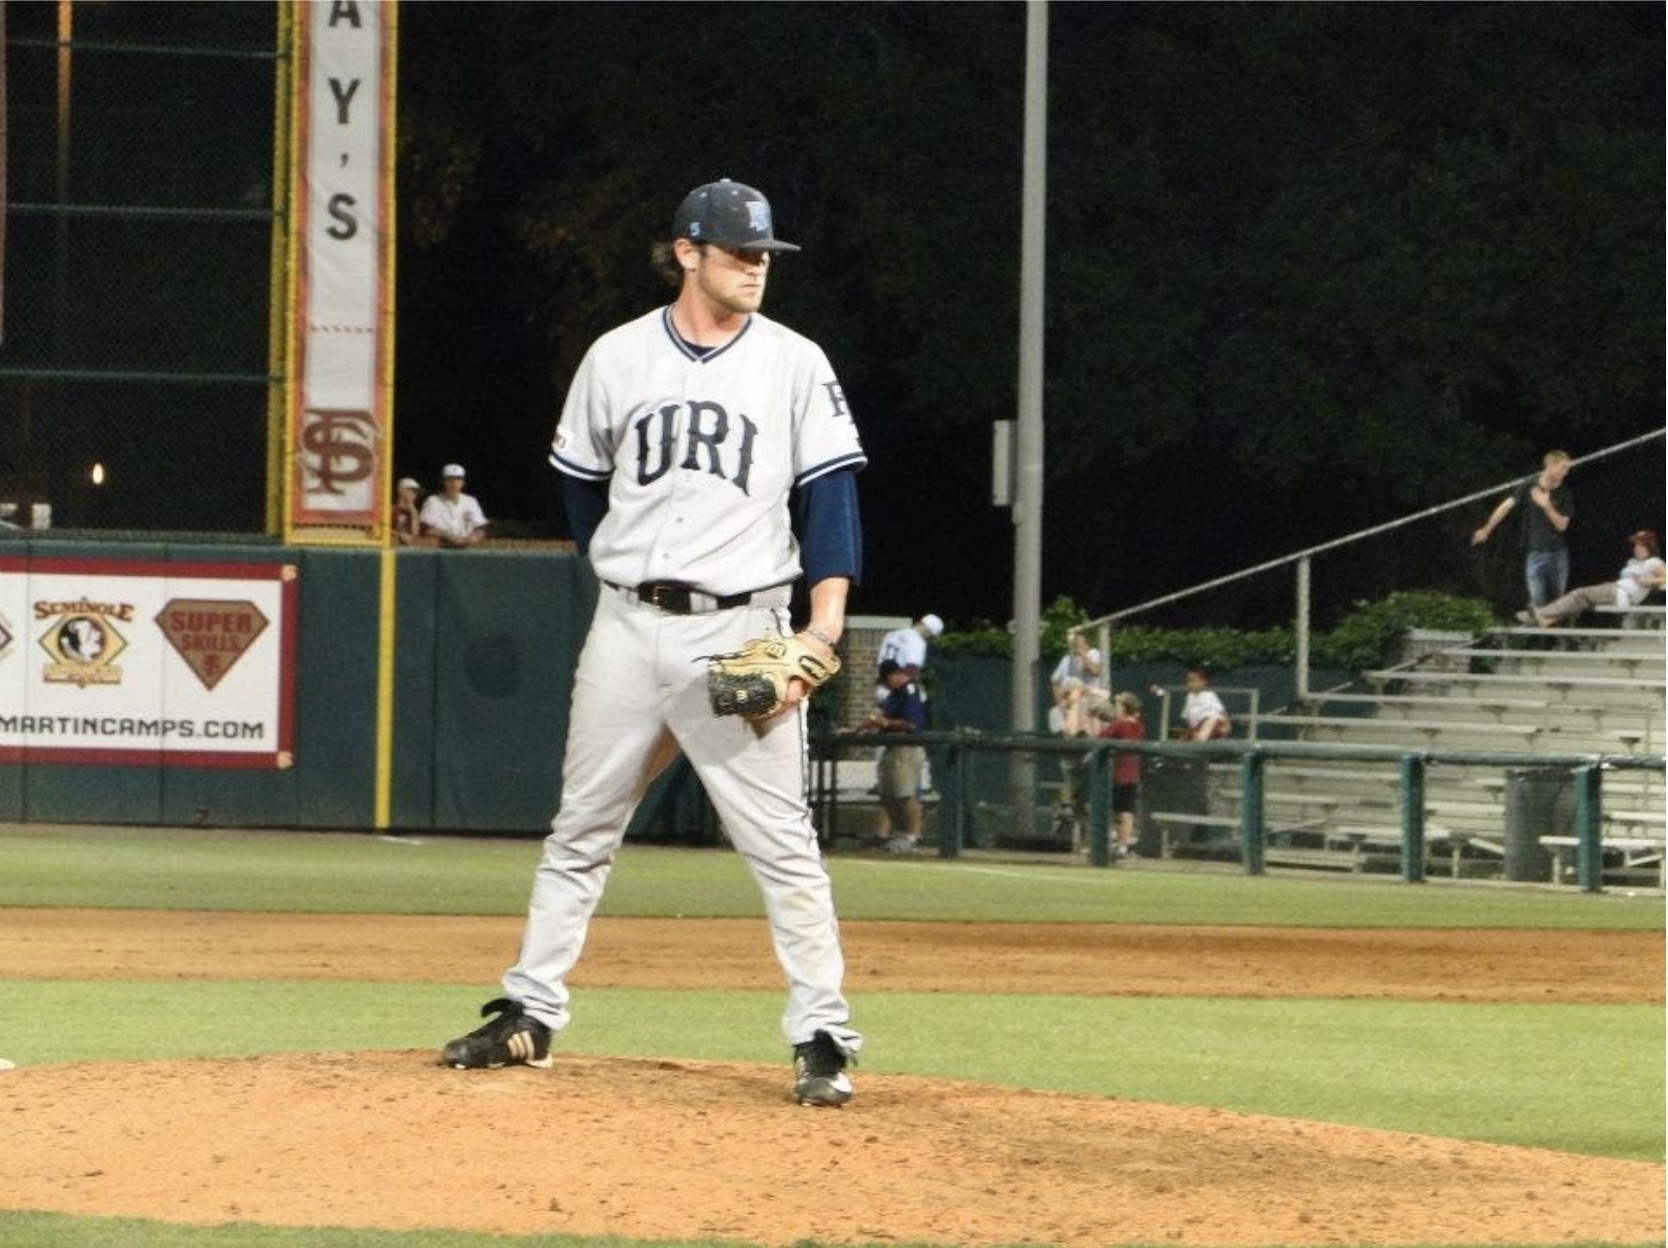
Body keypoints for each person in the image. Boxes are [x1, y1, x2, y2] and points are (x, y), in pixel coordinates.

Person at [441, 178, 865, 1108]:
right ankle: (529, 1012)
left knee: (779, 840)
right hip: (630, 628)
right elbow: (582, 486)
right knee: (582, 824)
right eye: (738, 253)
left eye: (763, 255)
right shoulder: (618, 357)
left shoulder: (795, 363)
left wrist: (819, 630)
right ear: (687, 253)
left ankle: (823, 1034)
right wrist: (621, 568)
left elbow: (831, 501)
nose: (755, 268)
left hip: (738, 629)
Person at [1471, 450, 1575, 609]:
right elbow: (1506, 507)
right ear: (1550, 466)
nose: (1566, 472)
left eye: (1567, 468)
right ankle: (1537, 630)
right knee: (1537, 599)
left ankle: (1555, 631)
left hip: (1558, 553)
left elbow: (1562, 526)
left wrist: (1546, 506)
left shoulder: (1565, 493)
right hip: (1535, 551)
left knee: (1557, 602)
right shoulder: (1529, 485)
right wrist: (1487, 529)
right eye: (1563, 467)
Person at [850, 660, 928, 854]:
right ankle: (899, 834)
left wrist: (884, 723)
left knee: (905, 793)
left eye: (887, 680)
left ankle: (913, 837)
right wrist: (855, 730)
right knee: (888, 794)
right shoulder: (895, 693)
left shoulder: (910, 690)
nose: (885, 685)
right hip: (892, 748)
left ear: (894, 675)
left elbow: (912, 725)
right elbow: (875, 717)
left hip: (907, 748)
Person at [1519, 530, 1665, 628]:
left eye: (1640, 546)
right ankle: (1548, 619)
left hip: (1621, 594)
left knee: (1580, 594)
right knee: (1580, 600)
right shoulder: (1633, 562)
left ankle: (1541, 613)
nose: (1636, 548)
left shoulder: (1654, 562)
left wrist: (1650, 581)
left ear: (1649, 547)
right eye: (1635, 545)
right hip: (1615, 590)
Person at [1093, 692, 1145, 861]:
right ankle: (1122, 847)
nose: (1116, 708)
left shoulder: (1119, 724)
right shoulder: (1138, 725)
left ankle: (1113, 840)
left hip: (1119, 775)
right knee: (1127, 811)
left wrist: (1098, 720)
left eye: (1118, 705)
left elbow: (1101, 737)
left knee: (1110, 809)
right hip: (1133, 775)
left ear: (1124, 708)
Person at [1048, 628, 1108, 738]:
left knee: (1089, 734)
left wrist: (1082, 653)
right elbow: (1055, 681)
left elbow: (1095, 671)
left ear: (1086, 643)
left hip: (1089, 705)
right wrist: (1060, 702)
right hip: (1070, 705)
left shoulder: (1093, 653)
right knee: (1055, 713)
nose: (1075, 644)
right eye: (1074, 643)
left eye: (1079, 642)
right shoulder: (1066, 659)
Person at [419, 463, 488, 548]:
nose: (454, 483)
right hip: (440, 549)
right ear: (443, 481)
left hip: (466, 548)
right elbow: (425, 529)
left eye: (458, 479)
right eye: (450, 479)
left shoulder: (471, 501)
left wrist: (474, 537)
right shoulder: (432, 501)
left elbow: (480, 529)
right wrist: (448, 536)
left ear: (463, 482)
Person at [1178, 666, 1230, 741]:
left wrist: (1227, 726)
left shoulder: (1209, 694)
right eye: (1188, 681)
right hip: (1197, 727)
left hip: (1214, 724)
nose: (1190, 684)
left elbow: (1221, 711)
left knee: (1212, 719)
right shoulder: (1189, 697)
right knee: (1185, 735)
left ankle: (1201, 739)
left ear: (1203, 682)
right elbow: (1186, 716)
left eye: (1193, 681)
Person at [392, 477, 423, 546]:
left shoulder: (414, 511)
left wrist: (414, 513)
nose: (415, 495)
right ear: (401, 490)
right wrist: (399, 535)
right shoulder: (391, 509)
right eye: (413, 491)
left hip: (409, 550)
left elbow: (415, 535)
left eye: (416, 492)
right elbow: (382, 530)